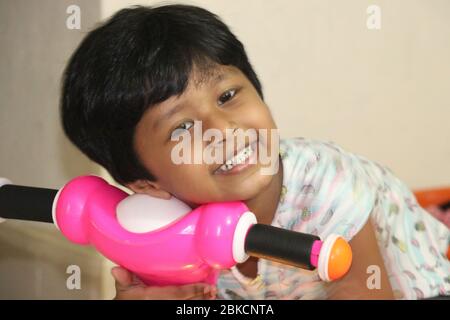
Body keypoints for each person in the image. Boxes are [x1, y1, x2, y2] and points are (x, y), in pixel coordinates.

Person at [60, 4, 450, 300]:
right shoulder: (158, 229)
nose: (222, 130)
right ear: (146, 183)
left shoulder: (326, 184)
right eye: (182, 128)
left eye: (227, 96)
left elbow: (363, 289)